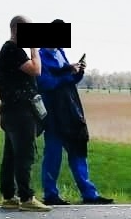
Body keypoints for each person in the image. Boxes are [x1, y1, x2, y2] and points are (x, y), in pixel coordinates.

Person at [37, 45, 113, 205]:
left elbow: (70, 81)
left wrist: (78, 72)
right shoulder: (40, 56)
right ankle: (50, 195)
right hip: (54, 113)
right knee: (53, 154)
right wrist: (67, 72)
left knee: (78, 151)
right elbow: (45, 83)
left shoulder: (60, 53)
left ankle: (89, 194)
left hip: (71, 111)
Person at [0, 16, 50, 212]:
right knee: (24, 155)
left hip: (11, 111)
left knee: (11, 155)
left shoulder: (9, 50)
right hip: (19, 112)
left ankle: (9, 196)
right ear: (17, 30)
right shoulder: (13, 50)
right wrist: (35, 49)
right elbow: (36, 70)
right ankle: (27, 197)